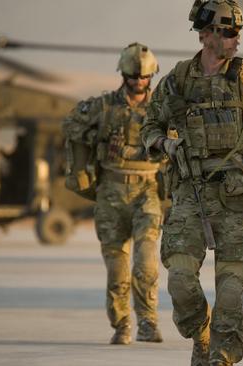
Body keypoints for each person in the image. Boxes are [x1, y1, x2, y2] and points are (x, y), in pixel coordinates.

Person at [141, 1, 243, 364]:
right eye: (230, 32)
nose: (236, 40)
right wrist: (163, 142)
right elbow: (149, 125)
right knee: (180, 280)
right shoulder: (179, 79)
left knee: (231, 289)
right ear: (207, 35)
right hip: (189, 191)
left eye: (236, 33)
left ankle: (222, 354)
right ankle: (200, 330)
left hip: (236, 194)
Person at [63, 42, 164, 345]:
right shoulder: (104, 106)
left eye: (144, 77)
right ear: (123, 75)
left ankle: (148, 322)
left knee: (146, 263)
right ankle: (122, 324)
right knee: (117, 269)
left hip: (147, 191)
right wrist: (94, 142)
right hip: (111, 193)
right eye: (133, 77)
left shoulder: (163, 109)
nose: (138, 82)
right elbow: (71, 125)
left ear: (151, 77)